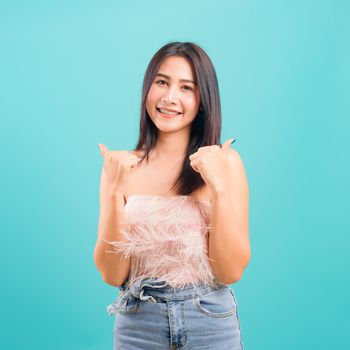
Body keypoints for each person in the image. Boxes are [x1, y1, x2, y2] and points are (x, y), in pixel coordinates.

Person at [94, 41, 250, 350]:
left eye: (186, 87)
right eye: (162, 82)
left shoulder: (225, 163)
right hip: (138, 325)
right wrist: (114, 192)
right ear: (147, 89)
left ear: (203, 99)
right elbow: (113, 275)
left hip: (210, 322)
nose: (170, 97)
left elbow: (230, 271)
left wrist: (218, 187)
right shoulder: (121, 166)